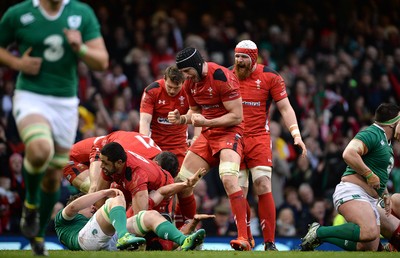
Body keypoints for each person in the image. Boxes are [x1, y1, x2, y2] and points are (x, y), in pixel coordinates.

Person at [0, 0, 109, 255]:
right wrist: (17, 64)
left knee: (52, 175)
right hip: (31, 96)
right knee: (39, 150)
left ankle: (38, 235)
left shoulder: (81, 13)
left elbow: (101, 61)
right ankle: (30, 204)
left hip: (65, 103)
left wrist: (79, 47)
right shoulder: (20, 13)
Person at [168, 47, 250, 251]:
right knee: (182, 182)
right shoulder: (190, 84)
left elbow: (237, 116)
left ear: (196, 64)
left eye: (187, 71)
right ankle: (183, 236)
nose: (186, 77)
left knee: (229, 179)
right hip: (208, 134)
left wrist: (207, 121)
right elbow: (195, 112)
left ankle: (244, 238)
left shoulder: (222, 76)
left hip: (230, 132)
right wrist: (182, 119)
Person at [232, 39, 307, 251]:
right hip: (234, 138)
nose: (239, 61)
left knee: (263, 185)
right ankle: (244, 238)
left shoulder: (271, 77)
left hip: (259, 138)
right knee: (239, 189)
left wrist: (296, 134)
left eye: (243, 57)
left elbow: (285, 108)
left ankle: (269, 242)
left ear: (253, 58)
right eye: (237, 56)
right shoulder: (228, 75)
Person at [300, 103, 399, 251]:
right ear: (393, 123)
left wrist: (384, 194)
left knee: (368, 247)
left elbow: (378, 175)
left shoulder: (386, 142)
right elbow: (348, 153)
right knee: (369, 231)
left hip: (369, 198)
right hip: (352, 191)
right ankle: (320, 231)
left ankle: (319, 236)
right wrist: (369, 174)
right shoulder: (372, 133)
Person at [55, 187, 206, 251]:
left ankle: (183, 241)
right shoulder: (63, 220)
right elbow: (73, 207)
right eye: (89, 206)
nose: (93, 208)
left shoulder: (95, 221)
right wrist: (104, 192)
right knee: (113, 200)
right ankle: (124, 237)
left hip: (107, 241)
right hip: (84, 243)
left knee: (150, 215)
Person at [62, 131, 177, 194]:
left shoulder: (160, 158)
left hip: (110, 149)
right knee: (97, 189)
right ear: (156, 164)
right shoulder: (133, 156)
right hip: (76, 156)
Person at [139, 65, 200, 167]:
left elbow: (197, 114)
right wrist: (146, 145)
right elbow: (144, 121)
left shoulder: (189, 91)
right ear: (164, 78)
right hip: (156, 145)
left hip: (179, 146)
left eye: (176, 88)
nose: (172, 91)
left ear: (183, 82)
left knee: (180, 179)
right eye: (169, 87)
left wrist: (196, 139)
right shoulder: (151, 91)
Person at [96, 142, 175, 216]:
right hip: (134, 182)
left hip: (160, 186)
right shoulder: (113, 161)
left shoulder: (137, 175)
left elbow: (139, 217)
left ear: (119, 163)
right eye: (102, 162)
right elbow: (100, 195)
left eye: (105, 163)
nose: (101, 166)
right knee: (111, 202)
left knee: (142, 222)